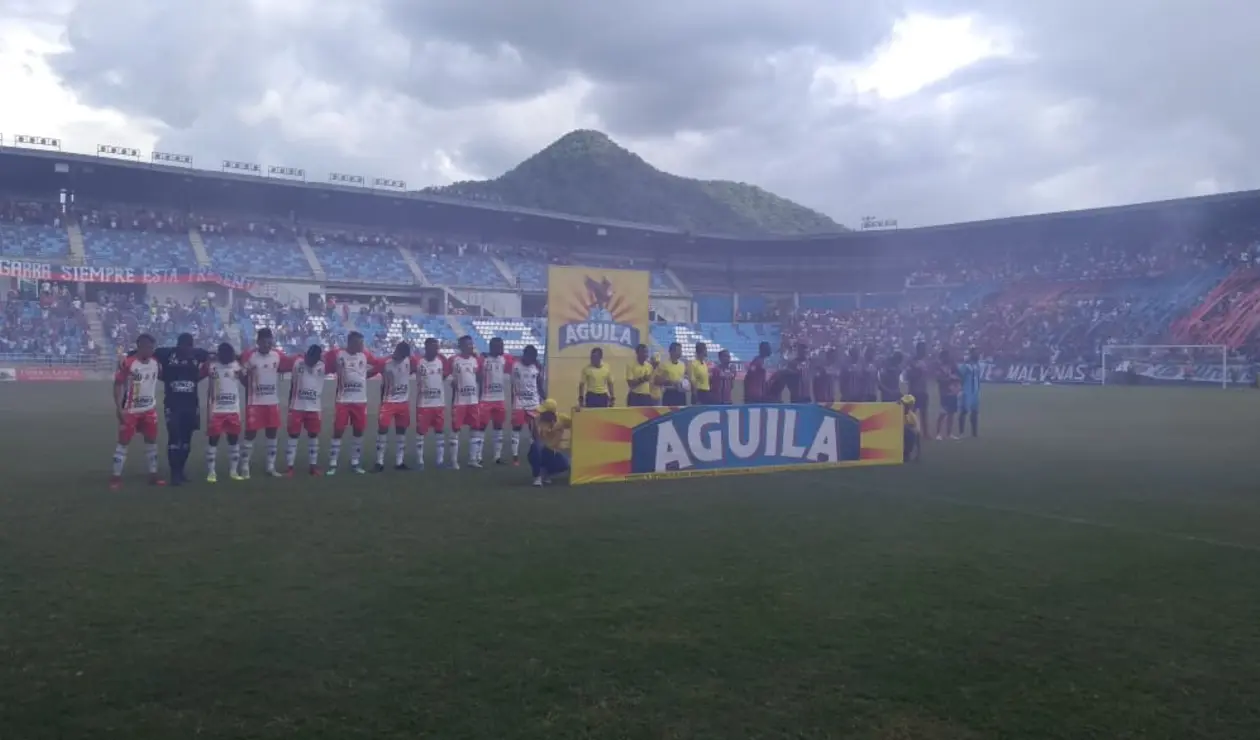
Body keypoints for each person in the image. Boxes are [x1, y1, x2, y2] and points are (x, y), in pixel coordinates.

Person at [144, 332, 211, 486]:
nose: (187, 350)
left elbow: (214, 357)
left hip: (191, 404)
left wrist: (200, 375)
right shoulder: (166, 354)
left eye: (189, 347)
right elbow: (148, 354)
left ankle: (181, 471)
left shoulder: (197, 355)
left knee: (187, 440)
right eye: (184, 347)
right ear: (178, 345)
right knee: (174, 439)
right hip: (173, 404)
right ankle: (174, 474)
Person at [110, 333, 164, 490]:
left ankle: (153, 475)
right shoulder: (129, 363)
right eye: (148, 347)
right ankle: (115, 477)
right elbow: (118, 384)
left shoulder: (155, 363)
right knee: (123, 443)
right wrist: (118, 407)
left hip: (149, 410)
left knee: (151, 442)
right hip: (131, 411)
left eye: (152, 347)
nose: (151, 350)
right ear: (140, 347)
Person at [240, 327, 290, 478]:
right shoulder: (250, 356)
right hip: (255, 402)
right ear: (259, 342)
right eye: (266, 342)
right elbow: (242, 374)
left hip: (272, 401)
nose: (268, 345)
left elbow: (286, 366)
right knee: (250, 434)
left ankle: (270, 466)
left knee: (272, 433)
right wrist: (249, 386)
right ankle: (244, 466)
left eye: (271, 342)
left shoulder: (277, 355)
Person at [325, 331, 377, 475]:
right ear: (351, 343)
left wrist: (367, 375)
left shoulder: (365, 355)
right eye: (359, 343)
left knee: (359, 431)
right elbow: (325, 364)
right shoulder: (338, 354)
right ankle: (333, 463)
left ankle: (355, 462)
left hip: (360, 400)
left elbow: (377, 365)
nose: (362, 345)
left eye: (362, 342)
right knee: (338, 430)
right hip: (343, 400)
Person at [203, 342, 245, 483]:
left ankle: (233, 471)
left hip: (233, 409)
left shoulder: (237, 366)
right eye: (224, 354)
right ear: (219, 355)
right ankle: (211, 472)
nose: (227, 357)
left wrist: (245, 373)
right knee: (213, 440)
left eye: (229, 354)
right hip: (216, 410)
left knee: (233, 440)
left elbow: (246, 382)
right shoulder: (212, 366)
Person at [374, 341, 417, 472]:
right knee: (382, 429)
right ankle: (379, 462)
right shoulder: (385, 363)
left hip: (403, 402)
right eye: (402, 355)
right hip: (388, 401)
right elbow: (372, 372)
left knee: (401, 431)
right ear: (397, 351)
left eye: (405, 356)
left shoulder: (409, 361)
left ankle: (399, 462)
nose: (403, 358)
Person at [285, 344, 326, 476]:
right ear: (306, 355)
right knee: (293, 436)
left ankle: (313, 466)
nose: (312, 361)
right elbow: (292, 385)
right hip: (297, 406)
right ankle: (290, 467)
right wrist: (290, 404)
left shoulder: (322, 366)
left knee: (313, 435)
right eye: (310, 358)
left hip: (314, 407)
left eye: (315, 359)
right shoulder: (298, 364)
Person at [414, 338, 451, 469]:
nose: (436, 350)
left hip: (438, 403)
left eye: (437, 348)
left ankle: (440, 461)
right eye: (433, 347)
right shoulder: (418, 362)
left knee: (440, 431)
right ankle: (419, 462)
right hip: (423, 404)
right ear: (426, 347)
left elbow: (445, 375)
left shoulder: (441, 361)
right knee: (420, 433)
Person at [479, 337, 516, 464]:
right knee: (481, 427)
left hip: (500, 399)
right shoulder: (483, 360)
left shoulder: (505, 359)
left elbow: (518, 363)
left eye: (502, 345)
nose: (502, 348)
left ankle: (497, 456)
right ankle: (478, 456)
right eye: (499, 346)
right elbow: (478, 377)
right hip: (485, 399)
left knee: (498, 427)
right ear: (492, 347)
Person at [449, 335, 483, 469]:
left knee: (475, 428)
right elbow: (451, 380)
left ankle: (472, 459)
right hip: (459, 401)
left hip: (473, 401)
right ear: (461, 346)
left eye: (471, 344)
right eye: (467, 344)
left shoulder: (475, 361)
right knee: (455, 429)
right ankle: (453, 461)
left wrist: (478, 396)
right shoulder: (454, 361)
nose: (470, 346)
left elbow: (479, 377)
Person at [510, 344, 545, 465]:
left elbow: (539, 384)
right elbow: (512, 385)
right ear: (524, 355)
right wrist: (512, 401)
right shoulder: (516, 366)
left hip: (534, 402)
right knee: (517, 428)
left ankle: (535, 453)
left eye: (534, 357)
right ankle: (515, 457)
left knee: (535, 431)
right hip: (519, 402)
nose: (531, 359)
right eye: (530, 357)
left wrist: (544, 398)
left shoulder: (537, 366)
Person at [529, 398, 571, 487]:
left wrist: (578, 412)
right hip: (541, 450)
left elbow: (575, 422)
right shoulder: (539, 420)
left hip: (553, 451)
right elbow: (535, 437)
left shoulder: (561, 418)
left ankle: (545, 473)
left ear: (550, 413)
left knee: (566, 464)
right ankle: (537, 476)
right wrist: (534, 424)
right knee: (535, 447)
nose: (541, 413)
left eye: (544, 411)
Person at [935, 349, 961, 440]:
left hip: (952, 392)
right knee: (943, 413)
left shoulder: (952, 366)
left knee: (951, 413)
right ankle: (938, 433)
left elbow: (958, 376)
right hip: (944, 393)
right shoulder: (939, 367)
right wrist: (949, 379)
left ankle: (949, 433)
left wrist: (955, 379)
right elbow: (939, 379)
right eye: (945, 356)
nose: (947, 358)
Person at [957, 347, 981, 438]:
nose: (977, 355)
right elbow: (959, 376)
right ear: (971, 354)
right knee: (964, 411)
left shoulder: (977, 365)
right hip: (966, 392)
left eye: (978, 353)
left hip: (975, 392)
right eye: (975, 353)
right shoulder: (966, 365)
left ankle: (974, 433)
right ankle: (961, 432)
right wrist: (960, 389)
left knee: (975, 412)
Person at [907, 342, 931, 427]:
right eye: (922, 349)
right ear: (918, 350)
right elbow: (909, 375)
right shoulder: (912, 361)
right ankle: (910, 430)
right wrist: (918, 371)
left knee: (924, 412)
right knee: (912, 412)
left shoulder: (925, 361)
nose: (924, 351)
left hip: (923, 389)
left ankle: (925, 432)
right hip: (914, 390)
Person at [901, 394, 922, 462]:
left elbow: (917, 432)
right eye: (905, 404)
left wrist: (918, 453)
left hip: (905, 435)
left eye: (908, 404)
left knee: (911, 433)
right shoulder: (896, 412)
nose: (906, 406)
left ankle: (907, 453)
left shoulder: (912, 416)